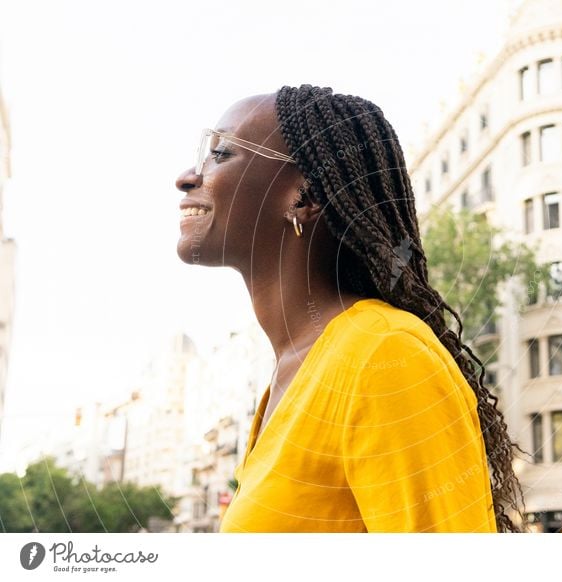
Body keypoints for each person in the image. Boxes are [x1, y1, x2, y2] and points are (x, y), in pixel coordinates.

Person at [174, 85, 527, 532]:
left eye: (221, 154)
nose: (187, 176)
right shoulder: (290, 374)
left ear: (302, 197)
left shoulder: (384, 354)